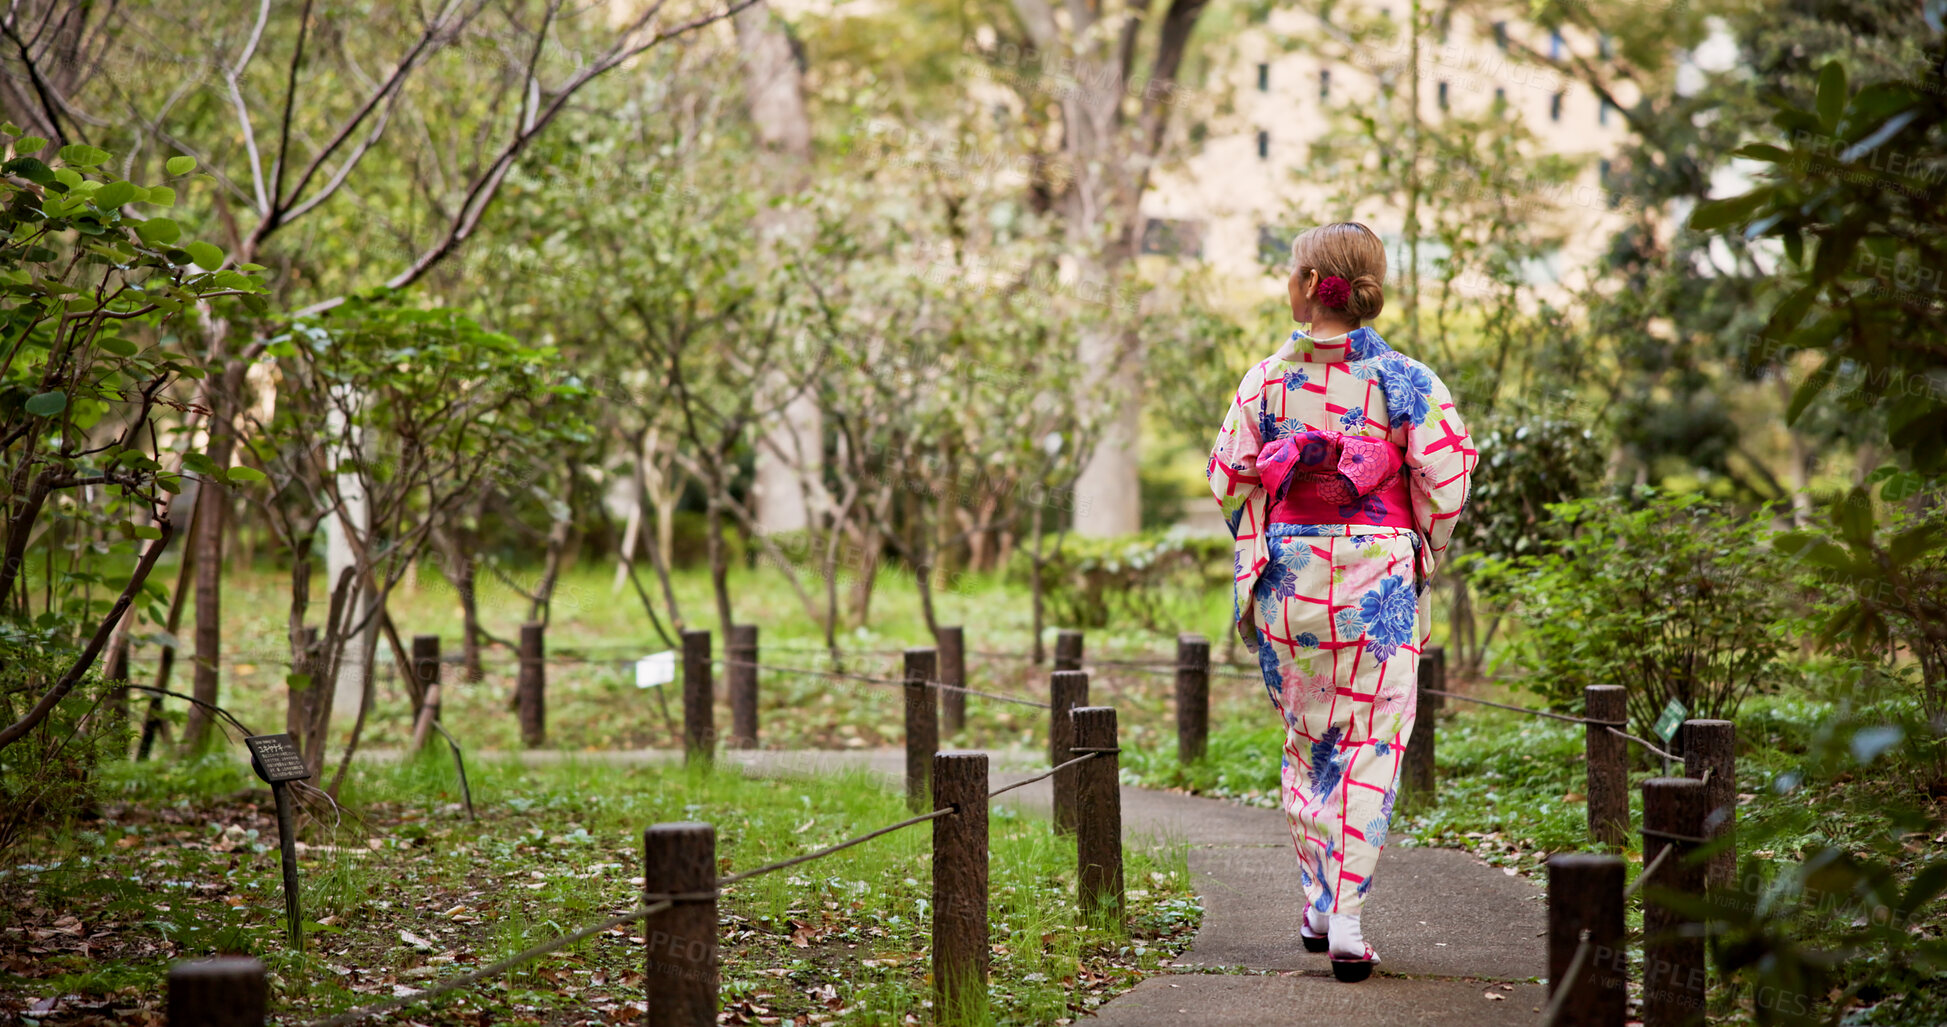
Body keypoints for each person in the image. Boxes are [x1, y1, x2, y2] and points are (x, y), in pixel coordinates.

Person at [1205, 222, 1476, 983]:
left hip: (1291, 580)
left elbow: (1228, 477)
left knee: (1306, 739)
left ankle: (1318, 904)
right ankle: (1348, 920)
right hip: (1377, 582)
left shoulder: (1265, 380)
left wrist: (1274, 528)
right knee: (1371, 743)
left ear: (1307, 284)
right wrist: (1416, 541)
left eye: (1290, 271)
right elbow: (1447, 483)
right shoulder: (1406, 380)